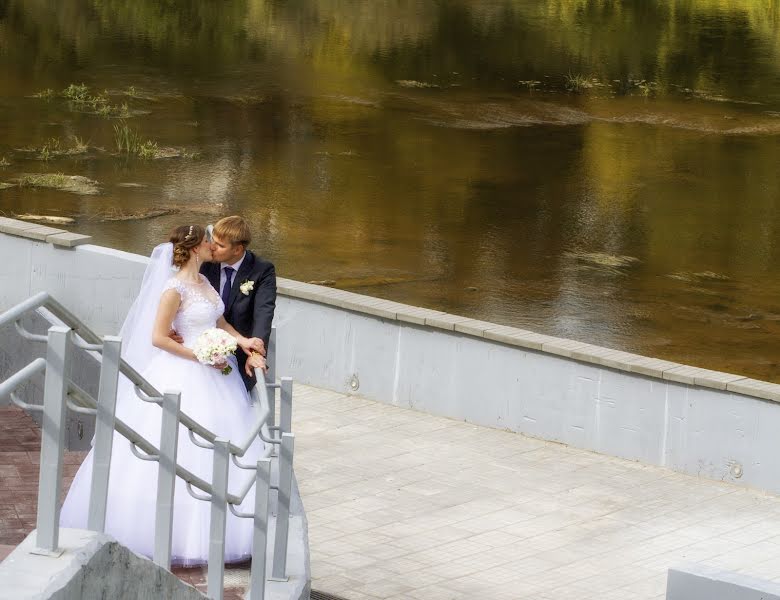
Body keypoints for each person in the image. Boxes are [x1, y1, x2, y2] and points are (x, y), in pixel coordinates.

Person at [60, 225, 266, 566]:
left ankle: (223, 525)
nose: (214, 246)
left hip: (218, 375)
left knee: (221, 444)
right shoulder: (173, 288)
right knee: (179, 446)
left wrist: (243, 342)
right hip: (184, 373)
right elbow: (158, 337)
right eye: (208, 241)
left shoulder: (205, 282)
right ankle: (167, 531)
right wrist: (200, 355)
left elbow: (220, 321)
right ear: (196, 248)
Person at [200, 216, 276, 391]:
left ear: (238, 249)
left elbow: (263, 313)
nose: (212, 247)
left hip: (240, 354)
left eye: (220, 245)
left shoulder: (262, 270)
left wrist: (256, 354)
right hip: (201, 349)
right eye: (213, 241)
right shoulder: (205, 262)